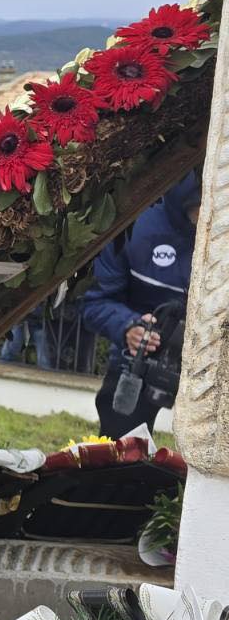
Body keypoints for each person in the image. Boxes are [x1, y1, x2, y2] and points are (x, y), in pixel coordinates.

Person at [83, 173, 200, 437]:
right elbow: (95, 302)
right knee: (119, 450)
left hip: (211, 371)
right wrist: (129, 328)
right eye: (200, 207)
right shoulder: (134, 226)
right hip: (138, 365)